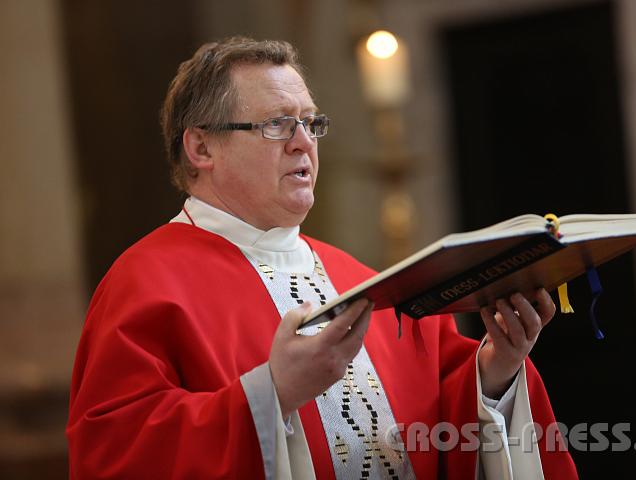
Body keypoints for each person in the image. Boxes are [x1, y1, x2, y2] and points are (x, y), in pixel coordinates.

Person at [66, 36, 577, 479]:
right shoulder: (148, 282)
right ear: (201, 147)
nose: (303, 143)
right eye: (276, 125)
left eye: (311, 124)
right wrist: (272, 395)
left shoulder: (361, 280)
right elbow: (117, 455)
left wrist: (497, 369)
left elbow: (443, 408)